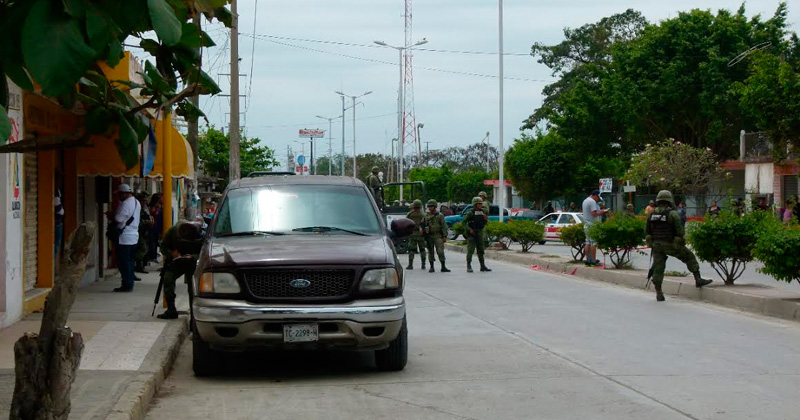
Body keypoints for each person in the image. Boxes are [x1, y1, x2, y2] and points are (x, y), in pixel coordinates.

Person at [646, 190, 713, 302]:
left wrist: (652, 242)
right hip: (670, 244)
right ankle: (698, 279)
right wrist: (678, 242)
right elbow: (680, 231)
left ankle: (659, 293)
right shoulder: (672, 214)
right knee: (689, 257)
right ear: (669, 200)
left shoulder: (651, 214)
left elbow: (647, 231)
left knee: (658, 267)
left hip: (656, 245)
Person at [157, 221, 204, 319]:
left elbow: (205, 252)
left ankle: (194, 313)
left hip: (193, 263)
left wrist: (193, 256)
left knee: (193, 287)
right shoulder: (172, 232)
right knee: (168, 278)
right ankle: (171, 310)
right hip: (177, 261)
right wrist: (171, 253)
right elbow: (163, 247)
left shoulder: (202, 235)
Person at [110, 184, 140, 292]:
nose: (119, 197)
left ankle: (127, 284)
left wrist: (111, 216)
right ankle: (129, 282)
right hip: (134, 236)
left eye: (119, 194)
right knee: (130, 261)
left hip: (124, 237)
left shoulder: (126, 204)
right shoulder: (136, 202)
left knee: (123, 262)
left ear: (124, 194)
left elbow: (119, 219)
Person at [582, 190, 608, 267]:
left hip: (587, 224)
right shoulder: (592, 202)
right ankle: (593, 260)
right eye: (598, 198)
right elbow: (594, 213)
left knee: (588, 242)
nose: (598, 199)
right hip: (592, 225)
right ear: (595, 195)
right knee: (593, 242)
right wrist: (602, 212)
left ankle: (588, 260)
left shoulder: (585, 201)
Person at [464, 197, 491, 273]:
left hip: (479, 232)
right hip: (472, 233)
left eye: (481, 204)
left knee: (481, 250)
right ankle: (469, 266)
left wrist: (485, 219)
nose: (480, 205)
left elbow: (485, 222)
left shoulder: (482, 212)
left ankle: (482, 266)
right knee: (470, 250)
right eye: (479, 204)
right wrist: (469, 229)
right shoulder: (470, 213)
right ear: (475, 204)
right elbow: (464, 222)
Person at [423, 200, 450, 273]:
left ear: (435, 207)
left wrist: (444, 236)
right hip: (429, 236)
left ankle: (443, 266)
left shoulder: (440, 215)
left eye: (432, 206)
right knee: (430, 251)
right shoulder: (426, 216)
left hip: (438, 235)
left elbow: (444, 226)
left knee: (440, 251)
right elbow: (422, 224)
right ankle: (431, 266)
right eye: (429, 206)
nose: (430, 208)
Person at [405, 200, 427, 270]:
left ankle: (410, 265)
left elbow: (406, 223)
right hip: (421, 234)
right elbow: (426, 224)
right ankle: (423, 264)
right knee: (422, 250)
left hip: (412, 234)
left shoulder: (410, 214)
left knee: (411, 250)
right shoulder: (423, 214)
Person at [135, 192, 154, 274]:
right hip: (139, 231)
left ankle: (140, 265)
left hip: (145, 231)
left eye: (145, 201)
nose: (144, 202)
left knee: (144, 249)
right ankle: (138, 266)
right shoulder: (137, 208)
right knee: (143, 249)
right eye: (143, 201)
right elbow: (138, 220)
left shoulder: (144, 209)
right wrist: (147, 222)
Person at [54, 179, 65, 260]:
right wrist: (62, 211)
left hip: (57, 222)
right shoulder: (55, 191)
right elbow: (58, 207)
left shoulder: (57, 190)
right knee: (56, 244)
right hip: (57, 222)